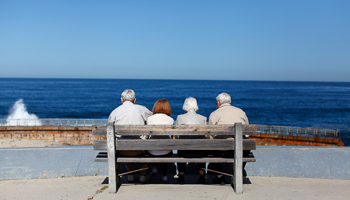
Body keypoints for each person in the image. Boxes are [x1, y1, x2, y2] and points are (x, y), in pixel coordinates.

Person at [108, 89, 152, 183]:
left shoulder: (115, 112)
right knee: (145, 145)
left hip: (122, 150)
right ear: (134, 100)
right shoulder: (141, 109)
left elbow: (109, 130)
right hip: (139, 150)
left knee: (124, 141)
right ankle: (143, 175)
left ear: (121, 100)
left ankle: (131, 174)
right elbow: (152, 119)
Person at [208, 92, 249, 185]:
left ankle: (220, 177)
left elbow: (210, 136)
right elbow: (247, 133)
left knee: (211, 149)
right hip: (242, 149)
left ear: (218, 102)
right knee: (245, 146)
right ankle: (236, 172)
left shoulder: (214, 114)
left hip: (223, 150)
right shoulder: (241, 112)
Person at [175, 97, 207, 184]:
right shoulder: (203, 118)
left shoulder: (180, 117)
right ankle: (202, 177)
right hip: (199, 152)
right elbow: (206, 136)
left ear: (185, 106)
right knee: (201, 147)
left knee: (180, 148)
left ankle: (181, 178)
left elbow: (177, 135)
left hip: (184, 151)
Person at [146, 99, 174, 182]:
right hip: (166, 151)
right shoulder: (170, 120)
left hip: (152, 151)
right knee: (164, 147)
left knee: (153, 145)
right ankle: (165, 176)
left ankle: (154, 168)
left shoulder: (149, 119)